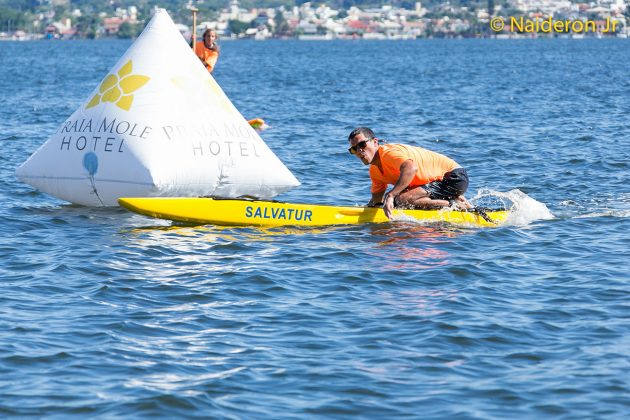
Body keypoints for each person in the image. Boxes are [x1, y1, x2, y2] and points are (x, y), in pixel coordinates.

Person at [347, 127, 472, 219]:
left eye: (362, 145)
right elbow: (376, 202)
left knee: (400, 200)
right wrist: (361, 215)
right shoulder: (374, 171)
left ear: (375, 142)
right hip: (438, 182)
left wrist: (390, 195)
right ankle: (452, 199)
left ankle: (455, 204)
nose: (359, 151)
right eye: (354, 149)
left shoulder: (388, 153)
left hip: (454, 177)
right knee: (398, 201)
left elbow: (411, 168)